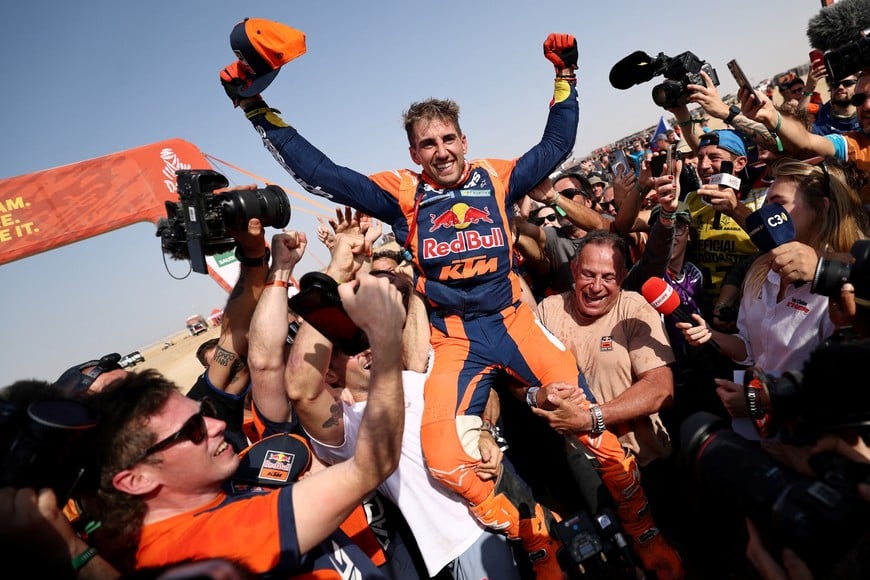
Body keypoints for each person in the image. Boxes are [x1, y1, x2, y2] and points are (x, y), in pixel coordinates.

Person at [221, 23, 666, 578]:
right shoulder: (403, 194)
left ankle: (642, 527)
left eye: (448, 139)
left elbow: (556, 146)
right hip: (454, 338)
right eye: (428, 144)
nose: (441, 152)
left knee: (588, 425)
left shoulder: (497, 178)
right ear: (414, 151)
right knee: (444, 460)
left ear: (464, 140)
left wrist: (565, 77)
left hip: (513, 321)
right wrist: (255, 108)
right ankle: (533, 537)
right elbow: (320, 174)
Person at [81, 269, 408, 577]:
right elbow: (370, 465)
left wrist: (263, 263)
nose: (217, 425)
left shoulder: (230, 479)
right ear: (135, 480)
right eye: (193, 431)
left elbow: (250, 349)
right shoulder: (195, 547)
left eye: (203, 414)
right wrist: (385, 337)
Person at [254, 229, 522, 578]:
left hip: (511, 504)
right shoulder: (349, 428)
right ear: (331, 376)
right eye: (350, 350)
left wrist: (482, 432)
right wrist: (336, 271)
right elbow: (301, 387)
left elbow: (480, 398)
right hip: (464, 541)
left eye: (366, 338)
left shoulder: (414, 378)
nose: (366, 348)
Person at [677, 158, 867, 441]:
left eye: (779, 202)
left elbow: (850, 384)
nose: (767, 212)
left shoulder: (851, 284)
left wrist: (758, 401)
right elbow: (750, 349)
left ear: (822, 208)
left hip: (815, 446)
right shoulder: (759, 271)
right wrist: (711, 335)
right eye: (766, 203)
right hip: (759, 438)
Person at [736, 70, 870, 204]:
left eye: (847, 83)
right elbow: (805, 140)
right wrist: (771, 117)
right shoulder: (852, 143)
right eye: (860, 99)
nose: (867, 106)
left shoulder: (819, 109)